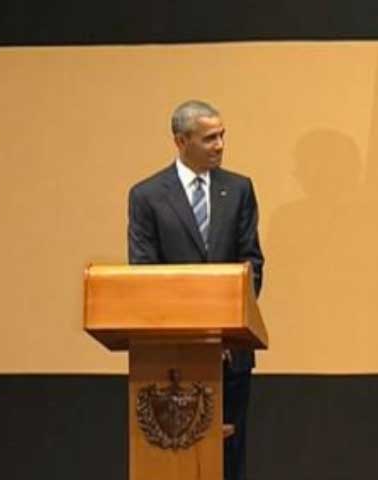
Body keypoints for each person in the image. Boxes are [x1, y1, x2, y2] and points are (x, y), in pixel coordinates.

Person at [128, 100, 264, 480]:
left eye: (222, 136)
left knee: (230, 460)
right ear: (180, 140)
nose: (219, 145)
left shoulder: (238, 190)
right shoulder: (147, 196)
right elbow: (144, 273)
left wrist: (224, 330)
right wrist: (193, 336)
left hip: (231, 355)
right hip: (170, 357)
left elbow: (251, 265)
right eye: (209, 138)